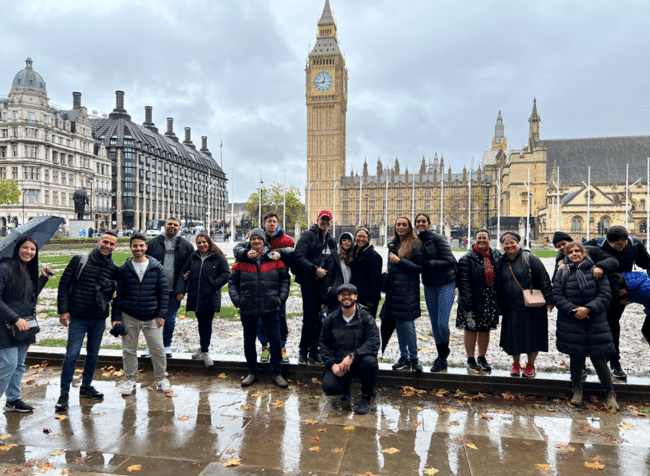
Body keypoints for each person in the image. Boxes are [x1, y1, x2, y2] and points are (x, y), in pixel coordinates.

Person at [54, 230, 119, 411]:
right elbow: (64, 284)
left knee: (93, 354)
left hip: (98, 318)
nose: (107, 246)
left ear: (115, 246)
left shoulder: (113, 268)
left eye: (111, 244)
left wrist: (113, 289)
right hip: (78, 316)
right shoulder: (80, 259)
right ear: (99, 241)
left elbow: (115, 292)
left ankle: (86, 386)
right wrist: (63, 310)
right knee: (72, 354)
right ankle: (64, 393)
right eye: (105, 242)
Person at [552, 242, 618, 409]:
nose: (575, 254)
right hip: (572, 320)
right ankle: (577, 389)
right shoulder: (562, 273)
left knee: (599, 358)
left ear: (583, 253)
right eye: (571, 252)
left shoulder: (596, 271)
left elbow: (605, 294)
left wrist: (588, 308)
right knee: (576, 357)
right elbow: (557, 296)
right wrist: (575, 310)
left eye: (577, 251)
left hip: (595, 320)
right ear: (567, 255)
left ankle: (610, 393)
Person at [584, 226, 650, 379]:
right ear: (608, 241)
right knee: (592, 325)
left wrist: (633, 293)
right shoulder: (596, 245)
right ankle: (584, 362)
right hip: (599, 291)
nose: (621, 248)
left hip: (620, 294)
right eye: (617, 245)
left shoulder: (634, 246)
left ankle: (615, 361)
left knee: (613, 325)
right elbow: (574, 252)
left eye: (623, 244)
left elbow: (647, 263)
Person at [228, 228, 290, 388]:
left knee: (275, 341)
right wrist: (237, 300)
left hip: (271, 307)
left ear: (264, 241)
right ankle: (252, 372)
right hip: (248, 307)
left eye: (259, 239)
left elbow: (285, 279)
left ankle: (277, 373)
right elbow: (232, 282)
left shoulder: (274, 259)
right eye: (253, 239)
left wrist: (281, 299)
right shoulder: (241, 261)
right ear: (250, 241)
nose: (256, 242)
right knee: (249, 341)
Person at [112, 233, 171, 396]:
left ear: (146, 247)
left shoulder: (156, 267)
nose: (138, 248)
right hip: (128, 314)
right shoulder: (123, 269)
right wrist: (116, 318)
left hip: (151, 315)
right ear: (130, 247)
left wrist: (162, 314)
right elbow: (118, 295)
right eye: (135, 245)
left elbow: (163, 293)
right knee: (128, 349)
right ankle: (130, 379)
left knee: (158, 349)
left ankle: (161, 378)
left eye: (141, 246)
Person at [233, 212, 294, 364]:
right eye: (269, 221)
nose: (272, 224)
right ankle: (264, 346)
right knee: (260, 320)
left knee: (280, 317)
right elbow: (238, 248)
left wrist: (280, 252)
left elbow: (294, 253)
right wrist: (246, 254)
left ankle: (281, 347)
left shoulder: (286, 239)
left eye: (274, 221)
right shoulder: (258, 237)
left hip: (276, 282)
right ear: (264, 224)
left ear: (278, 223)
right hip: (258, 282)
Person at [0, 237, 51, 412]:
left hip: (24, 326)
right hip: (6, 326)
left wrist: (42, 278)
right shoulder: (5, 268)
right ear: (17, 248)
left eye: (33, 249)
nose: (29, 252)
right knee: (8, 364)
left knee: (20, 365)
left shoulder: (27, 269)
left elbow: (28, 297)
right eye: (25, 247)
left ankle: (12, 400)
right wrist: (15, 318)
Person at [498, 232, 553, 378]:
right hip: (512, 307)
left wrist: (549, 300)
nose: (509, 245)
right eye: (506, 243)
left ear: (518, 243)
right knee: (514, 338)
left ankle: (530, 365)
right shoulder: (500, 261)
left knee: (534, 337)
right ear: (502, 245)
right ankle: (515, 363)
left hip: (533, 306)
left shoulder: (530, 258)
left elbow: (544, 278)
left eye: (512, 242)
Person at [320, 283, 380, 415]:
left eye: (350, 295)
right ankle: (345, 385)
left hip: (359, 361)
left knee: (370, 362)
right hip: (340, 362)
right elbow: (323, 345)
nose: (346, 297)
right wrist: (332, 365)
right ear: (338, 298)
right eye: (343, 295)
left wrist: (353, 355)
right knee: (329, 388)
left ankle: (366, 397)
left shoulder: (366, 318)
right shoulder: (331, 319)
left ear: (356, 297)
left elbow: (374, 342)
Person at [175, 232, 230, 368]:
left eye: (204, 242)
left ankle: (205, 351)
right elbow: (184, 272)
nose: (201, 245)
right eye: (199, 243)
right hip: (196, 296)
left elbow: (226, 273)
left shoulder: (218, 257)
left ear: (209, 242)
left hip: (210, 296)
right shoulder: (193, 257)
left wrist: (214, 284)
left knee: (207, 324)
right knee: (201, 324)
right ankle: (203, 347)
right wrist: (181, 290)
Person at [145, 217, 194, 357]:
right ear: (164, 226)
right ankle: (151, 346)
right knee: (152, 319)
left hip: (174, 290)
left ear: (179, 228)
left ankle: (166, 344)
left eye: (175, 225)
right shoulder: (153, 243)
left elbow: (190, 269)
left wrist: (182, 289)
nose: (172, 226)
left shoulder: (187, 246)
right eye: (170, 224)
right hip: (155, 289)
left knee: (170, 319)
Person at [293, 210, 337, 365]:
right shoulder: (308, 236)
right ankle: (303, 350)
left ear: (331, 222)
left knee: (321, 319)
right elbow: (298, 257)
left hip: (323, 285)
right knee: (309, 319)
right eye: (322, 220)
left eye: (328, 220)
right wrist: (314, 269)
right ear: (317, 220)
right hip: (309, 283)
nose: (325, 222)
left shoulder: (331, 240)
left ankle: (314, 350)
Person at [415, 213, 457, 372]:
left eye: (423, 221)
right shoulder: (416, 240)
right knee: (433, 322)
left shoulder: (438, 238)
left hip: (446, 283)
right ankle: (441, 357)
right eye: (418, 221)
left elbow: (450, 260)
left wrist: (428, 263)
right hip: (429, 284)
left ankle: (444, 351)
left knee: (442, 323)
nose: (421, 223)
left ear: (429, 223)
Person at [382, 217, 424, 372]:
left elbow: (419, 267)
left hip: (407, 291)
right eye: (398, 224)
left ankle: (414, 358)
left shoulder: (416, 243)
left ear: (409, 227)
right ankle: (404, 356)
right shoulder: (393, 244)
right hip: (394, 291)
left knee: (408, 324)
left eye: (404, 225)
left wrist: (400, 261)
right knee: (399, 324)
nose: (400, 227)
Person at [456, 228, 500, 373]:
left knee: (484, 328)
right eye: (479, 238)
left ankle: (482, 357)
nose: (482, 240)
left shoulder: (495, 255)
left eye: (484, 238)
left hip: (488, 298)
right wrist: (467, 304)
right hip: (471, 298)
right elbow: (464, 283)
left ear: (489, 240)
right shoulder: (466, 258)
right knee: (471, 329)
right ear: (474, 240)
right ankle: (470, 358)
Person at [610, 272, 650, 352]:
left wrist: (648, 311)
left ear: (624, 288)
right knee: (646, 330)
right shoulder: (624, 279)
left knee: (647, 330)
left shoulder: (645, 289)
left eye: (620, 292)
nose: (620, 294)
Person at [349, 227, 382, 318]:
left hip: (367, 298)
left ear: (368, 239)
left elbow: (375, 280)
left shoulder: (374, 256)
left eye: (364, 237)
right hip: (355, 294)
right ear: (355, 237)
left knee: (367, 325)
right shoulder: (354, 252)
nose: (361, 239)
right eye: (359, 236)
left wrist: (371, 300)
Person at [320, 232, 354, 313]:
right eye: (344, 240)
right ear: (340, 242)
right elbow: (327, 277)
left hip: (349, 294)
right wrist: (323, 299)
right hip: (336, 294)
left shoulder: (352, 257)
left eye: (349, 241)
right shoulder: (334, 256)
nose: (346, 242)